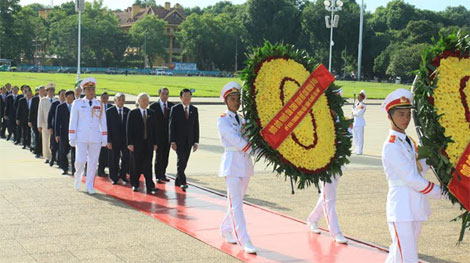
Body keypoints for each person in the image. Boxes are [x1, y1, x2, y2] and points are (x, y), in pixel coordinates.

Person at [381, 89, 443, 263]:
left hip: (413, 206)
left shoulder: (406, 141)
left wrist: (432, 157)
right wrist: (441, 191)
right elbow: (411, 179)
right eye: (401, 114)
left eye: (408, 114)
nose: (406, 119)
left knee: (398, 255)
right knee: (407, 258)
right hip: (401, 208)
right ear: (389, 116)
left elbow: (417, 170)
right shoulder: (391, 146)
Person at [217, 82, 257, 254]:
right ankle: (244, 239)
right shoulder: (222, 119)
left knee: (237, 201)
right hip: (232, 164)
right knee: (236, 205)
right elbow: (233, 138)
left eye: (238, 99)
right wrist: (250, 148)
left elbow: (252, 136)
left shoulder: (243, 119)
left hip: (245, 164)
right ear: (226, 101)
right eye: (232, 99)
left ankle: (225, 228)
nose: (236, 102)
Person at [306, 88, 348, 244]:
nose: (338, 99)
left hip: (338, 161)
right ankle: (335, 232)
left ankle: (312, 219)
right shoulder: (321, 114)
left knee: (326, 195)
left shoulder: (339, 115)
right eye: (336, 96)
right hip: (325, 162)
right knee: (329, 198)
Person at [69, 77, 107, 194]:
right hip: (81, 137)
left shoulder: (98, 104)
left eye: (93, 89)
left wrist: (104, 137)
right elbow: (73, 121)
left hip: (95, 137)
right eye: (89, 89)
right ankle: (78, 177)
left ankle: (90, 185)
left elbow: (103, 121)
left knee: (93, 162)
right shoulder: (78, 103)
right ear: (84, 91)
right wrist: (72, 136)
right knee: (80, 161)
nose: (91, 92)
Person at [126, 93, 158, 195]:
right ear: (139, 101)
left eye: (147, 100)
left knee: (148, 165)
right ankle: (135, 184)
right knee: (136, 165)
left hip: (148, 144)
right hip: (136, 144)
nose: (146, 102)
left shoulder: (152, 113)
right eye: (143, 100)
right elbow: (128, 130)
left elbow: (154, 130)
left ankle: (150, 185)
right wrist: (129, 143)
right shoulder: (133, 113)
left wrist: (155, 143)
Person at [169, 88, 199, 191]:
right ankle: (183, 182)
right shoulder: (175, 109)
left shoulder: (194, 109)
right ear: (181, 97)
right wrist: (172, 141)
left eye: (189, 96)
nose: (187, 98)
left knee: (184, 161)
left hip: (189, 141)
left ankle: (178, 180)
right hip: (178, 141)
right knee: (181, 160)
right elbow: (171, 126)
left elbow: (196, 126)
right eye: (185, 96)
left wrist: (196, 142)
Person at [149, 87, 174, 183]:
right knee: (158, 156)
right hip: (157, 137)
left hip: (167, 136)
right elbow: (151, 124)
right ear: (159, 94)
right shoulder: (153, 107)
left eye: (167, 94)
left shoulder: (172, 106)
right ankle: (158, 175)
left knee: (165, 156)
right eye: (163, 94)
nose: (165, 96)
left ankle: (163, 174)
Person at [106, 93, 130, 185]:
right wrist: (108, 140)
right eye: (119, 99)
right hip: (113, 140)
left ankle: (123, 175)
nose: (121, 101)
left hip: (125, 140)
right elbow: (107, 127)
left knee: (125, 158)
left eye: (123, 100)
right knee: (114, 159)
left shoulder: (127, 111)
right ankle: (114, 177)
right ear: (115, 101)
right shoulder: (109, 111)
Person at [55, 90, 75, 175]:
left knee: (74, 152)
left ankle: (74, 169)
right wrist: (57, 135)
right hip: (63, 133)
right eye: (69, 98)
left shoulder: (76, 106)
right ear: (65, 98)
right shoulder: (60, 107)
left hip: (74, 133)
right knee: (63, 152)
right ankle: (64, 168)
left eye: (72, 98)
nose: (70, 100)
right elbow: (57, 122)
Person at [37, 83, 56, 163]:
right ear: (47, 91)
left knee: (53, 141)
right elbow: (40, 113)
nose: (51, 92)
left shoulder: (56, 100)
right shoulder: (43, 100)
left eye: (53, 90)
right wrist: (39, 125)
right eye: (50, 91)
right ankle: (47, 157)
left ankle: (53, 156)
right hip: (45, 124)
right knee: (46, 141)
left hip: (54, 124)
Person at [47, 89, 65, 167]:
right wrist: (49, 127)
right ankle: (52, 158)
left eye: (65, 95)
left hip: (64, 128)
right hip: (55, 127)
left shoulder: (69, 104)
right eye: (62, 95)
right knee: (54, 145)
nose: (63, 97)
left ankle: (60, 161)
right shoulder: (55, 104)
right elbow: (50, 116)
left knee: (62, 147)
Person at [97, 92, 113, 177]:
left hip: (109, 132)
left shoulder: (111, 107)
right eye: (103, 98)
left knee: (108, 153)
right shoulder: (97, 106)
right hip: (100, 132)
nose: (105, 99)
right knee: (101, 154)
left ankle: (110, 169)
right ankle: (100, 170)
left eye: (107, 98)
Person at [29, 86, 45, 158]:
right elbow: (31, 110)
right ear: (38, 91)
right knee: (37, 136)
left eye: (43, 90)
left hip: (44, 121)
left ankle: (42, 151)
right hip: (35, 120)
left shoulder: (45, 99)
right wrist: (30, 120)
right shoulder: (35, 99)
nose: (42, 92)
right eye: (41, 90)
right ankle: (37, 151)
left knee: (42, 137)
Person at [352, 90, 366, 155]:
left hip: (360, 123)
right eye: (358, 96)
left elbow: (359, 113)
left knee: (360, 137)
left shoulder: (363, 105)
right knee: (355, 136)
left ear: (362, 97)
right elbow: (354, 112)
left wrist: (354, 112)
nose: (358, 97)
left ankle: (360, 150)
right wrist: (354, 111)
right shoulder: (356, 104)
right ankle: (356, 148)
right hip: (355, 122)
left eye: (360, 96)